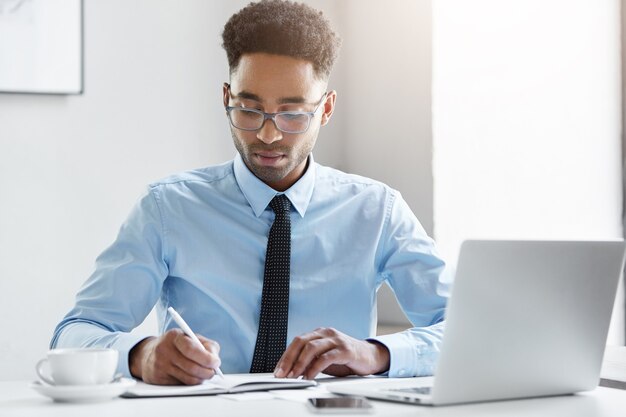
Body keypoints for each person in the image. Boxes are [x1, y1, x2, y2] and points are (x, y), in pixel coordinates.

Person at [51, 0, 450, 385]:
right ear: (227, 98)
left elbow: (466, 330)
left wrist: (376, 354)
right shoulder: (167, 209)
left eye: (293, 114)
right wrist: (142, 354)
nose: (268, 134)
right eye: (249, 108)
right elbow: (73, 335)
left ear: (325, 110)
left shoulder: (377, 211)